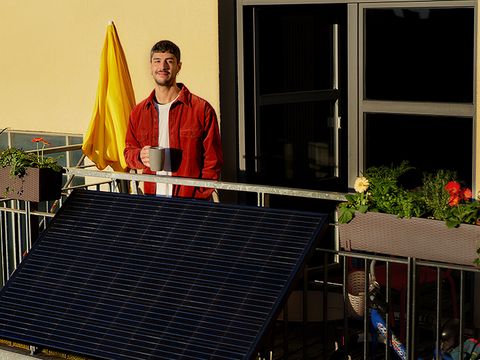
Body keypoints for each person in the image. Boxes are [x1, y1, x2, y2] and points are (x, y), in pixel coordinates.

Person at [124, 40, 223, 199]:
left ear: (179, 66)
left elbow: (213, 161)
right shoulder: (139, 112)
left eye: (169, 61)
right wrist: (139, 156)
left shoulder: (201, 109)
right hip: (152, 200)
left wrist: (197, 196)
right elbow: (128, 152)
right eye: (157, 61)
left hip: (189, 202)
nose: (162, 66)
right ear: (151, 66)